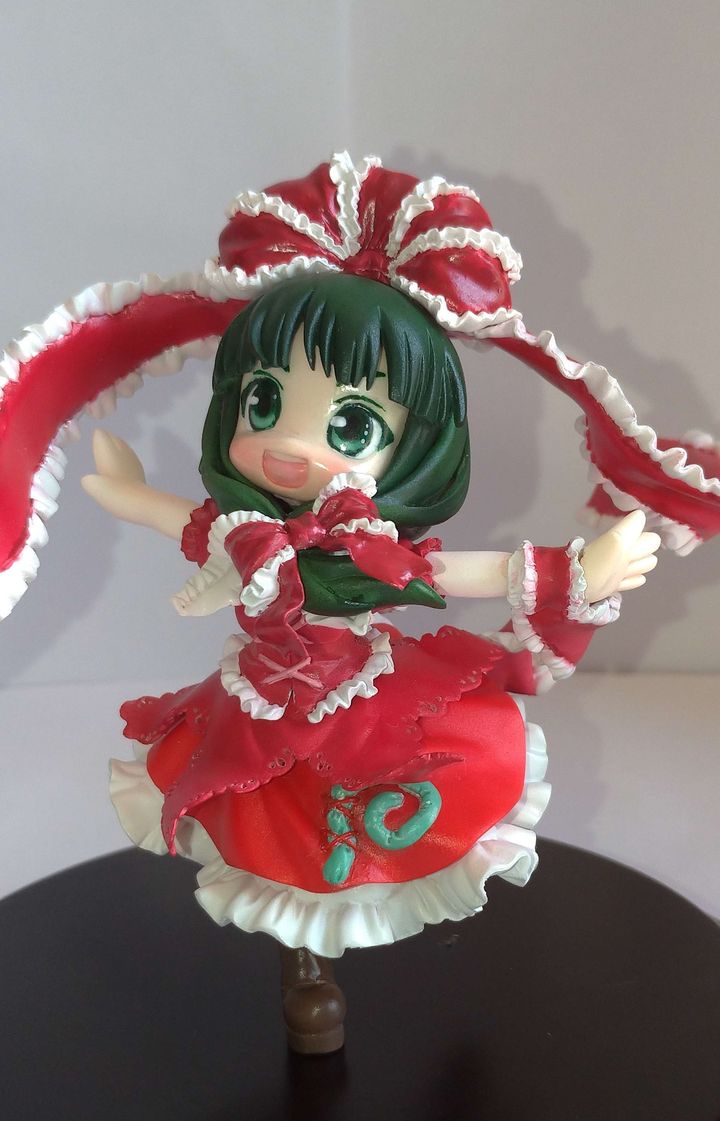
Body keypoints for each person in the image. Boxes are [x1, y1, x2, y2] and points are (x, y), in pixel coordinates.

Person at [1, 154, 717, 1053]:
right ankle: (305, 966)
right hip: (257, 708)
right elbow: (184, 522)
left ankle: (383, 926)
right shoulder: (241, 534)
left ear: (419, 450)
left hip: (366, 705)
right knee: (267, 834)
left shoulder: (370, 552)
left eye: (350, 425)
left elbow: (461, 575)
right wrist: (132, 495)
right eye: (264, 402)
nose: (291, 446)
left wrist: (575, 573)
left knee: (379, 821)